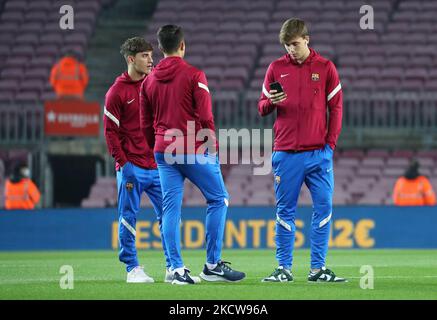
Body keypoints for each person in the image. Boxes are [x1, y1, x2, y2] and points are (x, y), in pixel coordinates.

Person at [140, 25, 245, 285]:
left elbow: (144, 123)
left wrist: (158, 147)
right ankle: (211, 266)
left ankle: (176, 269)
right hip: (192, 148)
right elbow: (206, 115)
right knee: (219, 199)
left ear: (160, 48)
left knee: (170, 210)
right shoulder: (194, 75)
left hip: (164, 151)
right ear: (183, 45)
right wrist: (212, 146)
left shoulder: (148, 81)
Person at [258, 18, 346, 283]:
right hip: (285, 153)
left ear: (307, 39)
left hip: (319, 153)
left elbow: (337, 108)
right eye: (286, 45)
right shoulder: (275, 68)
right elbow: (261, 107)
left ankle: (317, 269)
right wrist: (270, 102)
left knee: (324, 207)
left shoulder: (325, 67)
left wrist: (330, 145)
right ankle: (283, 268)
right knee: (285, 210)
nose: (290, 50)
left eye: (294, 44)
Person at [104, 37, 187, 284]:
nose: (151, 60)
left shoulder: (153, 85)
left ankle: (173, 266)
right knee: (128, 217)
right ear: (131, 59)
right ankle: (132, 268)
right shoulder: (116, 92)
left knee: (171, 216)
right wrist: (124, 164)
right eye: (145, 56)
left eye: (152, 55)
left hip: (158, 166)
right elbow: (110, 133)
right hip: (132, 167)